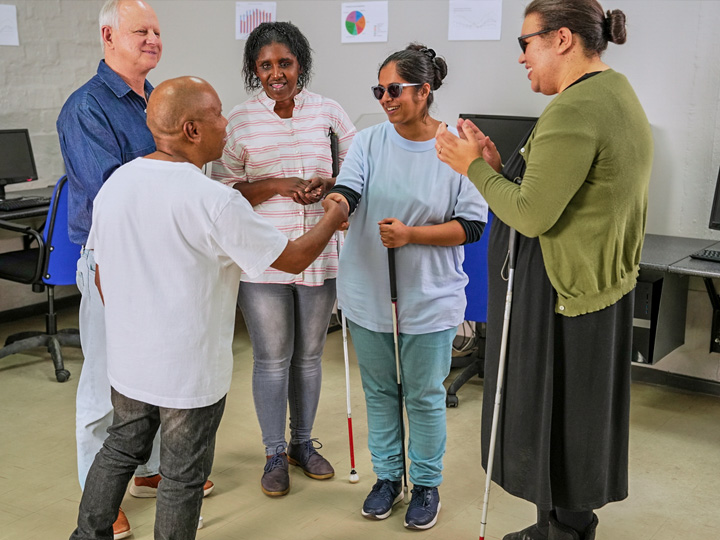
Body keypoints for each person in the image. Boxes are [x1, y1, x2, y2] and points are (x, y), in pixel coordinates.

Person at [68, 76, 350, 540]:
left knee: (119, 448)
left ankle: (86, 535)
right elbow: (295, 258)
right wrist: (336, 212)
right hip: (188, 373)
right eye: (218, 115)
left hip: (130, 362)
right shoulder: (214, 201)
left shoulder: (119, 182)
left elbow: (101, 274)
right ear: (191, 129)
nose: (228, 125)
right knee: (182, 476)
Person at [435, 1, 653, 539]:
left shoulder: (574, 109)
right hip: (595, 285)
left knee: (553, 418)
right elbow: (560, 183)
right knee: (574, 420)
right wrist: (494, 162)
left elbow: (531, 214)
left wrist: (470, 169)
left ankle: (563, 531)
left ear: (560, 39)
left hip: (560, 293)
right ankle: (565, 524)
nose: (521, 58)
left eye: (525, 43)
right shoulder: (613, 92)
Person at [56, 2, 213, 537]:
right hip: (114, 258)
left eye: (157, 32)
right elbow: (111, 196)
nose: (152, 39)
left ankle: (144, 469)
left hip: (162, 256)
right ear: (108, 35)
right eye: (140, 30)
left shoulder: (156, 100)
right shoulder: (87, 108)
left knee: (153, 369)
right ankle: (95, 490)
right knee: (106, 379)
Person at [325, 44, 488, 530]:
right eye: (379, 90)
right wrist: (334, 207)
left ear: (424, 90)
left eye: (394, 90)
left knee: (422, 395)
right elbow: (348, 189)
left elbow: (472, 225)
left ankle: (426, 484)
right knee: (379, 391)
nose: (385, 99)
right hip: (367, 291)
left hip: (429, 297)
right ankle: (387, 478)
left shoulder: (457, 145)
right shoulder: (371, 141)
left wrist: (412, 235)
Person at [211, 21, 356, 497]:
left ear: (300, 64)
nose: (276, 73)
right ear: (255, 70)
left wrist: (328, 188)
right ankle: (274, 452)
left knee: (310, 357)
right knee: (273, 359)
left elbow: (355, 173)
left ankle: (301, 444)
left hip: (319, 251)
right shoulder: (239, 121)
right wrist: (276, 184)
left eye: (284, 63)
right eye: (265, 65)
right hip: (262, 259)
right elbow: (225, 191)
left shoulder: (328, 112)